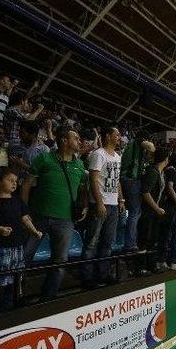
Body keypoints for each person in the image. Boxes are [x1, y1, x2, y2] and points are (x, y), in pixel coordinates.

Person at [22, 127, 88, 300]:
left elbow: (83, 188)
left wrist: (85, 206)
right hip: (38, 217)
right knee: (24, 257)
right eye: (76, 138)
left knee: (60, 262)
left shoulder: (79, 164)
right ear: (64, 140)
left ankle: (48, 298)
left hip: (66, 219)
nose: (79, 141)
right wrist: (24, 210)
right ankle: (15, 293)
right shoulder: (44, 158)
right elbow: (27, 183)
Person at [0, 167, 42, 311]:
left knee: (17, 271)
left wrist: (34, 231)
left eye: (15, 181)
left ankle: (18, 297)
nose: (14, 183)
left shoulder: (18, 200)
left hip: (17, 243)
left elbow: (25, 218)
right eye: (10, 180)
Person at [81, 126, 124, 289]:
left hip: (113, 204)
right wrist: (99, 202)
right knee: (91, 242)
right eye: (117, 134)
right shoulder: (98, 154)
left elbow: (117, 179)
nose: (119, 137)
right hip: (99, 204)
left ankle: (103, 275)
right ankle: (87, 278)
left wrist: (121, 199)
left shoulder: (118, 156)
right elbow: (93, 180)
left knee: (108, 242)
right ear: (107, 136)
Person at [120, 136, 155, 253]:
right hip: (131, 180)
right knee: (135, 213)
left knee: (134, 212)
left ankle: (130, 241)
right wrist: (155, 151)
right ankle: (130, 244)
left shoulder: (133, 148)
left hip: (126, 180)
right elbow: (151, 147)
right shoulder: (137, 142)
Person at [138, 147, 169, 272]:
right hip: (148, 212)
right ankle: (141, 268)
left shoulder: (160, 173)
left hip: (155, 212)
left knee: (152, 240)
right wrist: (156, 208)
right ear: (165, 159)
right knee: (144, 240)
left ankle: (151, 265)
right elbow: (145, 192)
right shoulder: (152, 172)